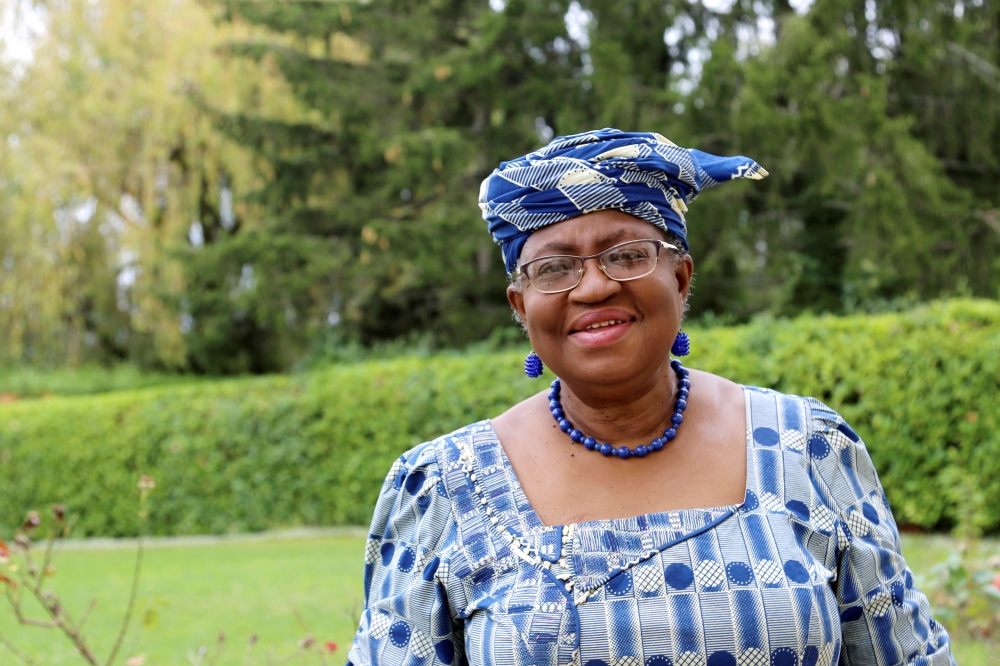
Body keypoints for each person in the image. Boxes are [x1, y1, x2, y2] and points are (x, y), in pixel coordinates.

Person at [347, 129, 954, 666]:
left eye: (627, 256)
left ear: (682, 278)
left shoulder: (806, 447)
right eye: (554, 268)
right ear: (520, 307)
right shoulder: (444, 487)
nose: (593, 286)